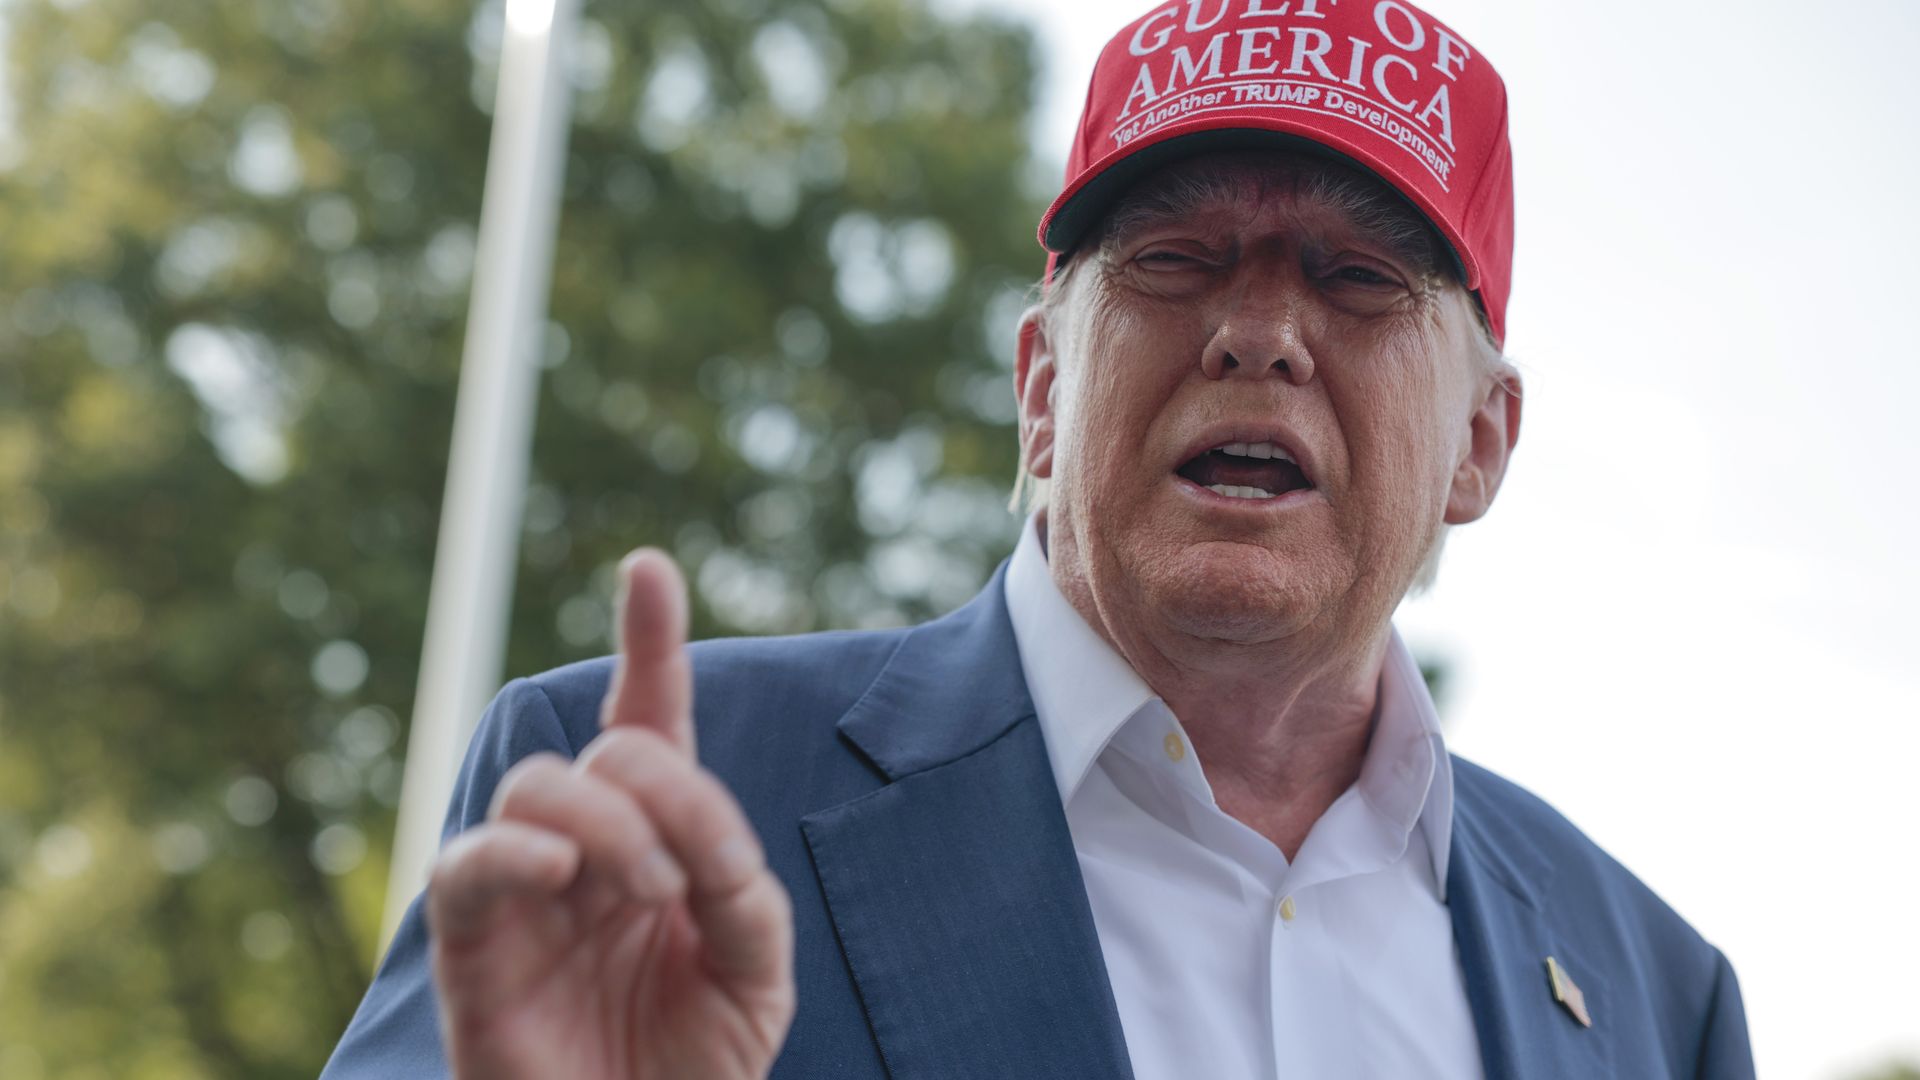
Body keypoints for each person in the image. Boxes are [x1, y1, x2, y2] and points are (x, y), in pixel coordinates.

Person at [324, 1, 1757, 1076]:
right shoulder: (635, 794)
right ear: (1043, 388)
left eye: (1360, 277)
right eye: (1176, 259)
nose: (1259, 334)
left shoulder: (1652, 991)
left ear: (1481, 444)